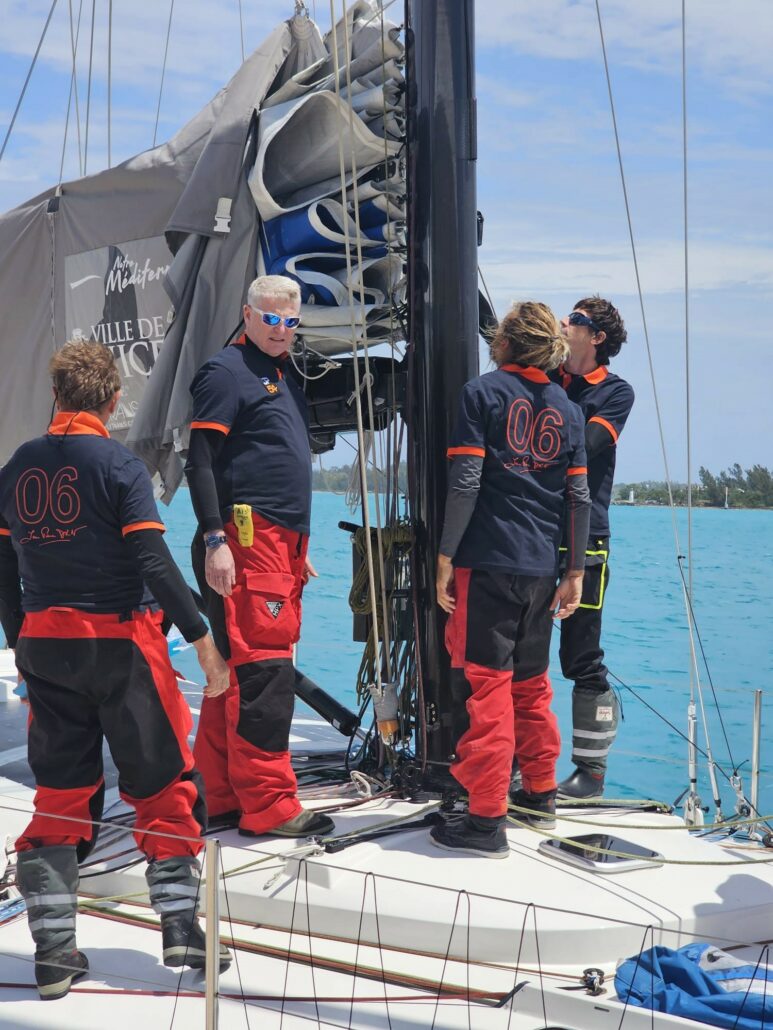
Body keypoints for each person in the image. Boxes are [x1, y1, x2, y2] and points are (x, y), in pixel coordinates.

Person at [0, 341, 232, 1001]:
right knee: (163, 786)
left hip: (45, 645)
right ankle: (182, 932)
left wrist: (21, 645)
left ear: (56, 396)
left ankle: (53, 957)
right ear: (111, 401)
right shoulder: (120, 466)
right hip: (121, 645)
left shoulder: (14, 468)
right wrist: (203, 640)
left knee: (60, 795)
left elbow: (4, 574)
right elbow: (153, 562)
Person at [431, 301, 591, 859]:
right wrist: (575, 572)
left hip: (489, 562)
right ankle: (540, 794)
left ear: (503, 343)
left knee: (488, 688)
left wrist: (445, 555)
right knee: (530, 685)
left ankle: (485, 820)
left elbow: (466, 481)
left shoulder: (481, 393)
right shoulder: (569, 409)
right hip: (543, 568)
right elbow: (578, 497)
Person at [185, 274, 334, 839]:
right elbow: (199, 461)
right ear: (247, 315)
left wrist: (296, 550)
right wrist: (215, 540)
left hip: (279, 545)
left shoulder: (281, 373)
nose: (280, 330)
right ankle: (270, 805)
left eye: (290, 321)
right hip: (246, 542)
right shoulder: (227, 372)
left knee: (234, 671)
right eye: (270, 318)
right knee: (265, 673)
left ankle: (221, 796)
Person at [553, 297, 635, 800]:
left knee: (581, 656)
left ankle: (591, 771)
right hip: (534, 530)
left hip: (587, 536)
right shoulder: (548, 376)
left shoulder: (616, 393)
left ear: (596, 337)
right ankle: (514, 760)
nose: (564, 323)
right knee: (516, 648)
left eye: (575, 320)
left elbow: (583, 445)